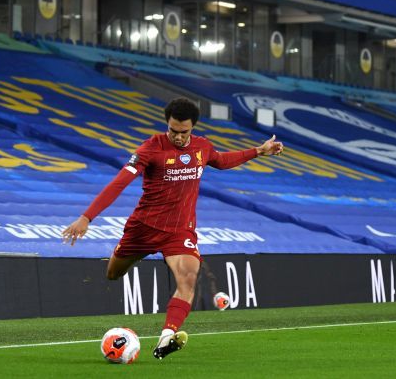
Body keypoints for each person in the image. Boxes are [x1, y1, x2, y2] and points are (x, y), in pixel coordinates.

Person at [62, 97, 284, 360]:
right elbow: (120, 182)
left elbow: (222, 161)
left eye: (184, 132)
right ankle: (122, 254)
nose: (178, 137)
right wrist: (87, 217)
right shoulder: (150, 148)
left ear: (193, 128)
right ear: (167, 124)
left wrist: (258, 151)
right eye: (173, 131)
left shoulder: (202, 147)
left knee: (189, 276)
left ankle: (167, 336)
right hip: (143, 228)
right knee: (113, 274)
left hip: (179, 231)